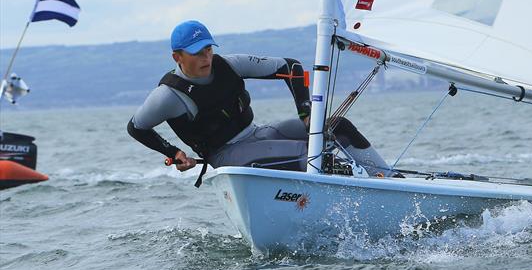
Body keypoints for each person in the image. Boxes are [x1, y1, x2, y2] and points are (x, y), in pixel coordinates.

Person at [127, 20, 395, 178]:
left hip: (257, 135)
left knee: (338, 126)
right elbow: (136, 127)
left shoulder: (229, 65)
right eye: (197, 53)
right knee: (313, 157)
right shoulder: (167, 96)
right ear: (178, 57)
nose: (206, 58)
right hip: (226, 154)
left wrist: (305, 113)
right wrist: (172, 153)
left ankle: (393, 182)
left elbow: (292, 68)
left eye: (208, 49)